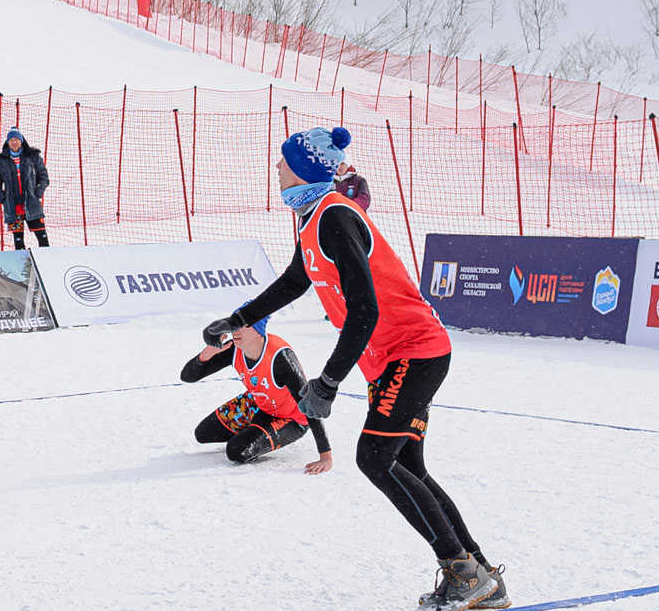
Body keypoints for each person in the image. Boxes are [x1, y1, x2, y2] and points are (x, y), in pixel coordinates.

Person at [205, 128, 509, 610]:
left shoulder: (334, 218)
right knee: (406, 465)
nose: (276, 170)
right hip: (392, 358)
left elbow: (365, 310)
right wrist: (240, 319)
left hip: (415, 351)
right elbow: (293, 280)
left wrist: (327, 383)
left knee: (373, 458)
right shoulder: (312, 220)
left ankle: (466, 576)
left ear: (303, 169)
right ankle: (480, 575)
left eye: (282, 164)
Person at [180, 317, 332, 472]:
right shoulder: (235, 349)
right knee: (204, 433)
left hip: (291, 417)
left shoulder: (280, 357)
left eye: (242, 326)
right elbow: (187, 376)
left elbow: (309, 401)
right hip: (258, 403)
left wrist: (325, 456)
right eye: (233, 326)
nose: (235, 331)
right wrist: (210, 351)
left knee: (236, 451)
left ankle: (258, 431)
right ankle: (255, 427)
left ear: (258, 331)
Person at [0, 128, 50, 249]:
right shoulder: (1, 161)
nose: (14, 142)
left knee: (41, 235)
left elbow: (44, 178)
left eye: (16, 139)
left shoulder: (32, 156)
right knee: (18, 240)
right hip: (12, 205)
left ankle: (46, 261)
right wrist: (4, 199)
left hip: (31, 203)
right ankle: (22, 264)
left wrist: (37, 194)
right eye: (11, 140)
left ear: (21, 141)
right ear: (7, 142)